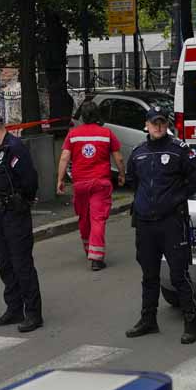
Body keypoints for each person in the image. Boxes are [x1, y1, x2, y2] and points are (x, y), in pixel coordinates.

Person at [125, 107, 196, 344]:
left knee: (179, 274)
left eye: (161, 122)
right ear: (147, 125)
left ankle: (190, 322)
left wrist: (176, 198)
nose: (158, 126)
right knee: (149, 274)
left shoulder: (179, 150)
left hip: (171, 222)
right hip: (145, 224)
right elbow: (132, 181)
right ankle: (148, 319)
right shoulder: (138, 153)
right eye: (154, 123)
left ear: (166, 124)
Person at [0, 108, 43, 333]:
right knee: (5, 263)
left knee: (21, 264)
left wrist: (21, 201)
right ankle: (14, 308)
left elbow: (30, 180)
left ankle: (33, 313)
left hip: (14, 214)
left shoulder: (15, 148)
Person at [56, 102, 125, 271]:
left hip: (80, 184)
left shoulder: (73, 134)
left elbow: (64, 157)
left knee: (84, 218)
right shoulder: (106, 133)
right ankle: (96, 257)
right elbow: (119, 158)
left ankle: (89, 249)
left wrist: (60, 179)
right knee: (98, 218)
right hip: (100, 183)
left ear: (83, 117)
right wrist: (122, 174)